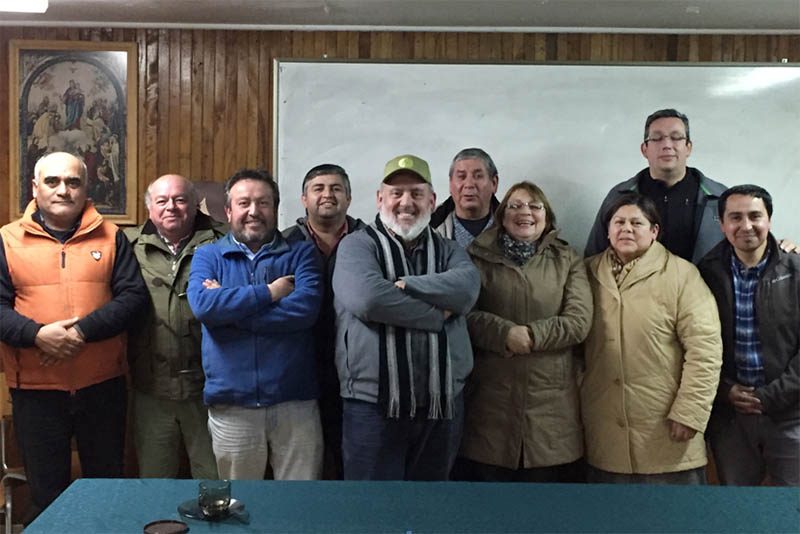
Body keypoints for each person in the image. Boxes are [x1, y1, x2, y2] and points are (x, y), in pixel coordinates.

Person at [0, 152, 148, 521]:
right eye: (52, 182)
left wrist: (80, 332)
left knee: (107, 490)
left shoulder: (113, 237)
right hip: (36, 390)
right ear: (34, 188)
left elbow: (134, 299)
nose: (63, 190)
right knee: (47, 498)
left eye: (73, 182)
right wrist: (37, 335)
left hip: (102, 387)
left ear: (86, 187)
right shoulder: (6, 240)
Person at [332, 154, 480, 481]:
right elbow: (369, 299)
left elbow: (468, 290)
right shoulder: (356, 246)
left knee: (430, 508)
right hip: (372, 404)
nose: (406, 202)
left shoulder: (450, 249)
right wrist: (437, 315)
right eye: (396, 193)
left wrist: (409, 285)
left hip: (442, 403)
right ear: (380, 199)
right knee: (372, 509)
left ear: (432, 200)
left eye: (416, 193)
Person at [187, 168, 323, 480]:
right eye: (244, 203)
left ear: (275, 209)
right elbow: (204, 307)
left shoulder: (301, 253)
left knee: (300, 504)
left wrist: (230, 314)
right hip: (232, 405)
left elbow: (303, 312)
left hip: (295, 403)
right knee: (240, 503)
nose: (253, 211)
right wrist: (270, 292)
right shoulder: (208, 256)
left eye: (263, 203)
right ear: (228, 210)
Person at [582, 192, 722, 484]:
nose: (627, 229)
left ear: (654, 231)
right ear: (607, 231)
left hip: (668, 433)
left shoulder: (683, 275)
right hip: (605, 435)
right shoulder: (586, 273)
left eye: (637, 222)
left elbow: (705, 350)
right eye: (618, 222)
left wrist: (690, 413)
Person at [459, 181, 592, 482]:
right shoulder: (475, 256)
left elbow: (579, 321)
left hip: (551, 411)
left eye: (535, 206)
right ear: (502, 215)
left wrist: (532, 336)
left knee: (546, 518)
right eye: (515, 206)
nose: (525, 213)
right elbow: (462, 314)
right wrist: (503, 333)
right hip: (490, 406)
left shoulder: (567, 258)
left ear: (547, 216)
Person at [697, 185, 799, 486]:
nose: (746, 226)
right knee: (737, 511)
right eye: (735, 217)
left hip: (790, 414)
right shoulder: (705, 273)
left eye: (755, 216)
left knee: (791, 509)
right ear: (722, 224)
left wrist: (771, 396)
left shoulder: (795, 270)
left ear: (769, 219)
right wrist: (725, 390)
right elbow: (693, 345)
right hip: (731, 418)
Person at [125, 174, 226, 479]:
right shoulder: (128, 246)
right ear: (149, 208)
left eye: (180, 199)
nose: (172, 207)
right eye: (162, 201)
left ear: (196, 205)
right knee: (155, 480)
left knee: (214, 481)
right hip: (151, 388)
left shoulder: (223, 242)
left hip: (209, 388)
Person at [283, 163, 365, 480]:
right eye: (318, 188)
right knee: (307, 464)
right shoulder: (285, 243)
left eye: (336, 188)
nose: (327, 195)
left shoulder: (369, 241)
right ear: (304, 199)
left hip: (357, 369)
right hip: (302, 367)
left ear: (349, 197)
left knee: (353, 460)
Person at [584, 109, 727, 263]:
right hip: (632, 286)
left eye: (676, 137)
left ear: (688, 147)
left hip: (701, 286)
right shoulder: (620, 196)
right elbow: (594, 258)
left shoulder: (719, 197)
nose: (667, 145)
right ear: (644, 149)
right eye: (657, 138)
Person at [430, 147, 500, 247]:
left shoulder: (514, 229)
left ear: (494, 183)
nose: (469, 184)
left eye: (478, 176)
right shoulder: (430, 230)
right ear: (450, 184)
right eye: (461, 177)